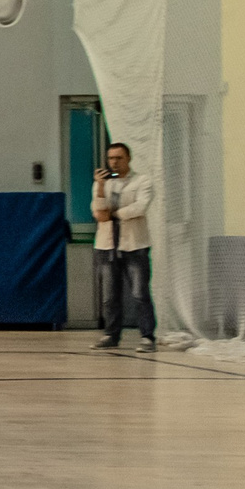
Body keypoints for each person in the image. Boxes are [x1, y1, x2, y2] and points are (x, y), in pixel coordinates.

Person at [92, 142, 155, 350]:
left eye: (119, 158)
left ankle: (147, 337)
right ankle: (111, 335)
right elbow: (98, 212)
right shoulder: (102, 183)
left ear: (128, 158)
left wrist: (115, 214)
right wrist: (101, 186)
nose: (114, 162)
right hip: (107, 245)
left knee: (139, 293)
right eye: (111, 158)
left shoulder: (142, 181)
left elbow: (140, 207)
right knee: (110, 296)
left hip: (134, 245)